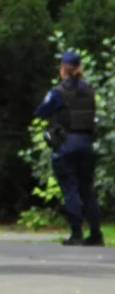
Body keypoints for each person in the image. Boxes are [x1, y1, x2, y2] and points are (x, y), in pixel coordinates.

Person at [35, 51, 104, 246]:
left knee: (70, 189)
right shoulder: (89, 90)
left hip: (66, 145)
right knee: (86, 190)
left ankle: (76, 233)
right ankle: (96, 234)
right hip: (86, 144)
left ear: (62, 69)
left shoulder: (58, 92)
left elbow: (41, 111)